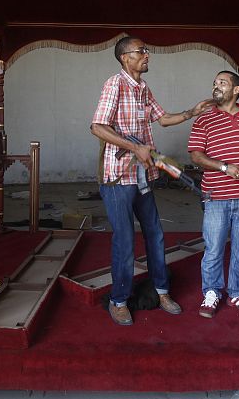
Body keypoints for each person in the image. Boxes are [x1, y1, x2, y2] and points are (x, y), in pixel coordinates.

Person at [90, 36, 214, 326]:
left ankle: (161, 291)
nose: (147, 55)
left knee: (155, 234)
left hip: (142, 175)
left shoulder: (143, 89)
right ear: (125, 58)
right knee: (124, 241)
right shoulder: (114, 84)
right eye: (141, 51)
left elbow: (163, 118)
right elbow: (97, 126)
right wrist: (135, 147)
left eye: (147, 50)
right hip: (118, 177)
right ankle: (119, 300)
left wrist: (190, 113)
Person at [188, 70, 239, 318]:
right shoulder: (203, 120)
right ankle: (212, 292)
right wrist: (224, 167)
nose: (216, 86)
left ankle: (237, 292)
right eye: (214, 82)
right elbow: (196, 155)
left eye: (222, 83)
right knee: (213, 248)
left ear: (236, 90)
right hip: (216, 194)